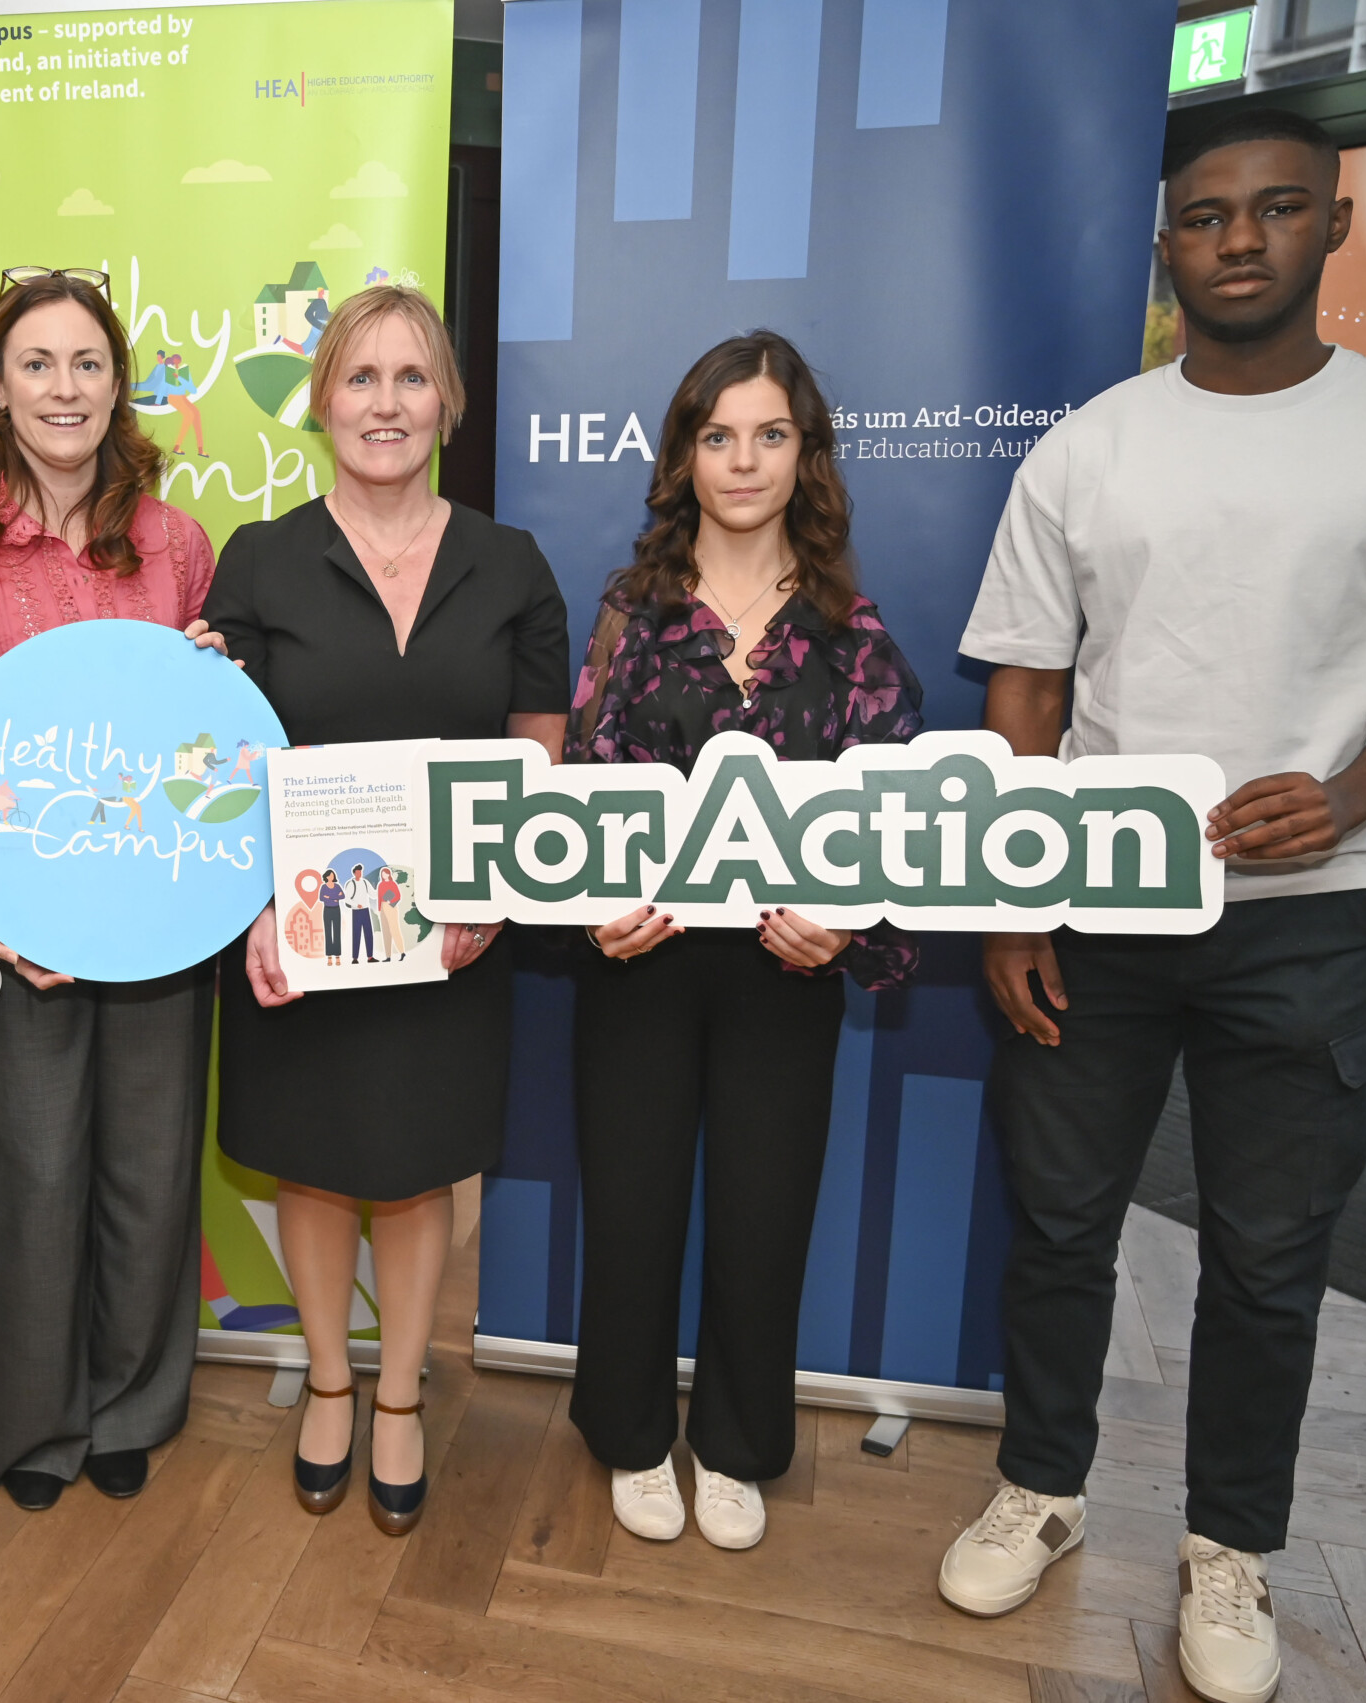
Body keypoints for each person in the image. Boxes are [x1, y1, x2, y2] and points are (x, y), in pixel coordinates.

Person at [940, 109, 1366, 1703]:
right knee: (1059, 1229)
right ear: (1169, 246)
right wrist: (1018, 885)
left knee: (1271, 1256)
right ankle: (1044, 1485)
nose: (1241, 240)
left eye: (1275, 210)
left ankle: (1231, 1548)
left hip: (1309, 914)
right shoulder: (1093, 447)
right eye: (1207, 218)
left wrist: (1346, 792)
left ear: (1333, 225)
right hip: (1104, 907)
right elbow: (1026, 681)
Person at [214, 284, 570, 1534]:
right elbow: (225, 759)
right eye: (359, 377)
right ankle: (326, 1381)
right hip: (297, 924)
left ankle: (403, 1395)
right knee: (313, 1165)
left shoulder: (511, 562)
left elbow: (536, 758)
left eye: (410, 377)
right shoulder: (256, 557)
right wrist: (258, 905)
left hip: (453, 931)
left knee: (419, 1170)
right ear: (321, 400)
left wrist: (495, 890)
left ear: (447, 404)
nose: (384, 402)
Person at [567, 331, 923, 1553]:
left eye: (770, 433)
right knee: (629, 1204)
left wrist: (850, 930)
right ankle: (625, 1433)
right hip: (645, 964)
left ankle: (735, 1444)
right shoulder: (628, 614)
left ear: (805, 453)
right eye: (718, 434)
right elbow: (577, 797)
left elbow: (896, 838)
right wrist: (591, 915)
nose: (743, 458)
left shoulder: (854, 636)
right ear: (684, 454)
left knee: (765, 1214)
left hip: (784, 974)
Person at [0, 266, 226, 1513]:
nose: (65, 387)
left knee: (146, 1169)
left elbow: (202, 745)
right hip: (11, 919)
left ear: (117, 385)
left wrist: (206, 677)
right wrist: (3, 909)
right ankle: (39, 1425)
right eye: (38, 362)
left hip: (155, 914)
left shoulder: (174, 542)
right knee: (28, 1175)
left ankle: (133, 1401)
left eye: (88, 363)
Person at [345, 863, 378, 963]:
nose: (360, 873)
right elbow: (347, 899)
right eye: (358, 872)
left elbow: (373, 894)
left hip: (365, 910)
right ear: (354, 873)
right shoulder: (351, 883)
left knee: (368, 933)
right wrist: (356, 904)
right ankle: (355, 958)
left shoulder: (365, 882)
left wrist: (380, 889)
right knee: (356, 934)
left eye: (361, 872)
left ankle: (370, 957)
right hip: (356, 911)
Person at [377, 866, 408, 960]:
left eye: (385, 873)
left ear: (389, 874)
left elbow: (398, 895)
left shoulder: (392, 884)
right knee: (386, 931)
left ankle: (402, 952)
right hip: (382, 907)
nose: (384, 875)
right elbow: (379, 897)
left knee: (394, 929)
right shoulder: (380, 884)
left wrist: (391, 901)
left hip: (391, 906)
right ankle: (388, 956)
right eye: (382, 874)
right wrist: (379, 909)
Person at [319, 867, 345, 963]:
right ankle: (329, 956)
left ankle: (337, 955)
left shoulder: (337, 886)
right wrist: (334, 897)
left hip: (336, 910)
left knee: (337, 932)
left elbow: (342, 896)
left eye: (333, 875)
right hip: (327, 910)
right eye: (330, 875)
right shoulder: (324, 887)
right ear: (326, 877)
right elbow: (321, 898)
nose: (331, 877)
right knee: (328, 932)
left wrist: (329, 897)